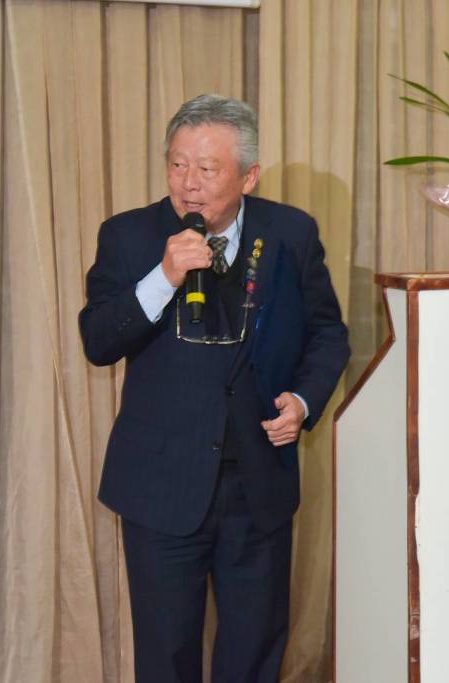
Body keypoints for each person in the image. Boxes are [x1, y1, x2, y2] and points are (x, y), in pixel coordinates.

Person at [79, 94, 349, 682]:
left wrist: (304, 401)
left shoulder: (291, 233)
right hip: (160, 483)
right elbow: (98, 341)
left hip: (258, 482)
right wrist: (164, 276)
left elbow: (328, 334)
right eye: (178, 165)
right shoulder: (128, 236)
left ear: (248, 176)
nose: (189, 184)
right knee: (167, 657)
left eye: (207, 168)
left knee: (253, 654)